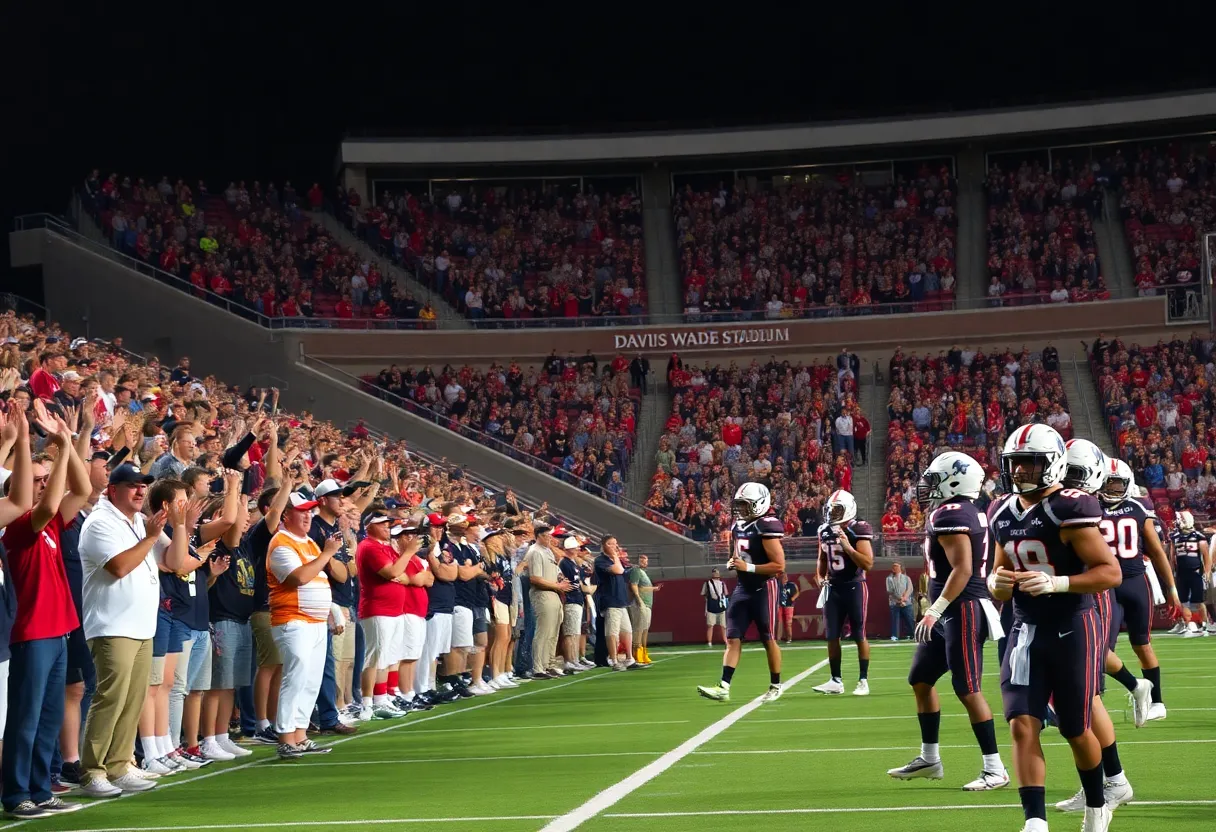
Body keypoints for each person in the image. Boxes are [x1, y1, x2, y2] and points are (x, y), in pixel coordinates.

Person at [988, 423, 1122, 832]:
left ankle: (1098, 807)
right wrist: (997, 583)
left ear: (1052, 464)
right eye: (1015, 463)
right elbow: (999, 571)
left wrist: (1059, 582)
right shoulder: (1000, 510)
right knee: (1020, 721)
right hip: (1026, 630)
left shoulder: (1069, 508)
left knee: (1076, 728)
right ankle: (1035, 822)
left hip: (1071, 627)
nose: (1020, 471)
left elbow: (1110, 572)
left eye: (1030, 462)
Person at [888, 451, 1010, 791]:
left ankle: (995, 768)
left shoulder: (954, 513)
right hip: (951, 608)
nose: (927, 487)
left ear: (955, 480)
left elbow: (963, 569)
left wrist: (934, 609)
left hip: (964, 608)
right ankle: (930, 759)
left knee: (967, 688)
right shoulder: (961, 510)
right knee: (921, 678)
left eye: (934, 480)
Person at [2, 407, 90, 818]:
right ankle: (16, 793)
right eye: (34, 479)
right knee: (25, 716)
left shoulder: (52, 524)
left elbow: (82, 488)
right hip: (33, 631)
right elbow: (54, 498)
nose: (40, 485)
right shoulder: (19, 526)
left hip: (60, 632)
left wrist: (66, 444)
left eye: (43, 479)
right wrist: (50, 449)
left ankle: (40, 789)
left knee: (49, 717)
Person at [1051, 439, 1142, 813]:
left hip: (1086, 598)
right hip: (1069, 600)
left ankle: (1114, 781)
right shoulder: (1073, 503)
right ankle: (1111, 780)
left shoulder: (1080, 506)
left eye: (1071, 471)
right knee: (1083, 698)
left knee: (1087, 698)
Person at [78, 463, 166, 797]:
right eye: (133, 485)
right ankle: (92, 772)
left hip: (141, 624)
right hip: (112, 623)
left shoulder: (134, 522)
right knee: (110, 697)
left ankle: (119, 764)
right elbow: (119, 567)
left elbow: (170, 559)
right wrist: (152, 537)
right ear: (112, 490)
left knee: (132, 699)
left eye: (143, 485)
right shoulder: (100, 522)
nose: (141, 491)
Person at [1098, 458, 1180, 721]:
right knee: (1101, 648)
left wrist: (1172, 589)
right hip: (1105, 584)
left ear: (1127, 484)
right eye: (1108, 483)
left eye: (1117, 483)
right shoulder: (1094, 507)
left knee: (1142, 644)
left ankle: (1157, 702)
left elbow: (1156, 551)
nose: (1111, 488)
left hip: (1132, 581)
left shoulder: (1136, 508)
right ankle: (1127, 688)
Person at [266, 487, 339, 759]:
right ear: (286, 515)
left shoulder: (309, 543)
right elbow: (299, 577)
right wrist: (328, 553)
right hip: (293, 619)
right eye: (301, 511)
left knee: (310, 680)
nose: (308, 516)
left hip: (316, 621)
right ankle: (285, 736)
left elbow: (318, 580)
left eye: (310, 511)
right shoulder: (281, 542)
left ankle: (300, 734)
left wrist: (331, 609)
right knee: (295, 676)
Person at [697, 482, 784, 702]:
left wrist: (749, 567)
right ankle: (724, 686)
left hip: (764, 587)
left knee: (768, 638)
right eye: (740, 505)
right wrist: (732, 562)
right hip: (742, 587)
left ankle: (775, 685)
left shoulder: (766, 526)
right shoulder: (738, 525)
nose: (741, 509)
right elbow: (736, 553)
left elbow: (779, 566)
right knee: (733, 638)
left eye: (745, 505)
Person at [812, 490, 874, 696]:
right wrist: (820, 578)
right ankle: (835, 680)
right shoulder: (824, 530)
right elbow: (821, 558)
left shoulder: (859, 528)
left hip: (854, 585)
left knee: (859, 634)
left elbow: (868, 563)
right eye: (831, 510)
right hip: (834, 587)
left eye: (838, 509)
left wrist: (847, 546)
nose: (833, 514)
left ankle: (863, 680)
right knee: (831, 635)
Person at [527, 524, 571, 678]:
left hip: (554, 593)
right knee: (543, 631)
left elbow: (554, 571)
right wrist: (557, 585)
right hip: (543, 593)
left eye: (550, 536)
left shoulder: (548, 552)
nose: (549, 539)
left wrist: (560, 580)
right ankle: (538, 667)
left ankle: (549, 664)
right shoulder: (535, 552)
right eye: (546, 536)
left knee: (553, 631)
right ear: (538, 536)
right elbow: (535, 578)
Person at [594, 536, 634, 671]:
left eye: (615, 544)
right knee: (612, 631)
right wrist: (615, 556)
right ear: (603, 545)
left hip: (621, 599)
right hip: (610, 599)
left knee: (627, 630)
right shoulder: (600, 560)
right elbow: (618, 570)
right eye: (610, 544)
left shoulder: (614, 560)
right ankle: (614, 659)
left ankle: (629, 658)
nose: (614, 546)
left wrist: (616, 557)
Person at [1169, 511, 1211, 635]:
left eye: (1180, 519)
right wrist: (1171, 572)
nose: (1177, 522)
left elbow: (1206, 557)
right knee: (1183, 601)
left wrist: (1207, 573)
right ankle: (1188, 625)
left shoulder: (1198, 536)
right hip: (1182, 573)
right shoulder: (1175, 536)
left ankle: (1204, 624)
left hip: (1196, 572)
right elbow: (1172, 558)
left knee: (1198, 601)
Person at [628, 553, 658, 664]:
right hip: (640, 604)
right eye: (642, 560)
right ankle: (636, 653)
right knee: (638, 629)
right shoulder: (635, 571)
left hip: (647, 604)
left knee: (645, 629)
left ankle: (644, 652)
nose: (645, 562)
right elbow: (634, 585)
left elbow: (642, 588)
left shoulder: (643, 573)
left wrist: (653, 589)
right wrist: (639, 599)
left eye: (646, 560)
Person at [886, 562, 914, 640]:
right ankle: (895, 636)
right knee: (895, 620)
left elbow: (910, 588)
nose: (894, 567)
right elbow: (890, 590)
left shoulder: (906, 578)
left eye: (896, 566)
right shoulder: (889, 579)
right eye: (893, 566)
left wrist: (904, 598)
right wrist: (899, 599)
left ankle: (911, 635)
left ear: (901, 568)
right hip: (894, 603)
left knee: (909, 619)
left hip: (906, 603)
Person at [702, 567, 727, 647]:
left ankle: (726, 641)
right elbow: (704, 593)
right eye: (714, 572)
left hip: (721, 606)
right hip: (711, 606)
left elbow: (726, 593)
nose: (716, 574)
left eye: (717, 572)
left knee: (723, 626)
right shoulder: (707, 583)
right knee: (710, 625)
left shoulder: (722, 583)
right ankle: (709, 642)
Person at [777, 571, 799, 644]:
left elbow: (797, 592)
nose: (785, 577)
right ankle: (778, 638)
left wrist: (793, 598)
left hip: (789, 605)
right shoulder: (777, 585)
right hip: (779, 605)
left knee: (788, 623)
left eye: (786, 576)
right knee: (778, 622)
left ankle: (789, 638)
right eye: (783, 576)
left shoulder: (791, 584)